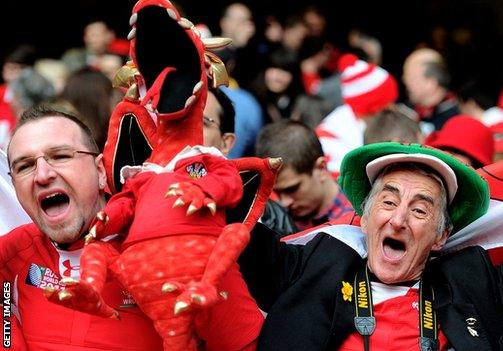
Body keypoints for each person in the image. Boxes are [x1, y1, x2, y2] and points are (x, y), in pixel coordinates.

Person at [239, 141, 503, 350]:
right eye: (387, 203)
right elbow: (231, 228)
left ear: (441, 236)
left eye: (420, 210)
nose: (399, 219)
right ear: (367, 216)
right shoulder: (314, 263)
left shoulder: (478, 285)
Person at [2, 106, 262, 350]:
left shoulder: (173, 241)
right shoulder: (14, 252)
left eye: (60, 156)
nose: (42, 174)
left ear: (101, 171)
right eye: (24, 166)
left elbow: (242, 343)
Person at [203, 87, 297, 236]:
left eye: (203, 122)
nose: (189, 130)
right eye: (181, 121)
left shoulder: (267, 219)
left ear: (226, 143)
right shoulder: (152, 186)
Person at [256, 120, 353, 231]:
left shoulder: (360, 221)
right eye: (277, 192)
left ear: (321, 168)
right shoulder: (274, 221)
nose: (285, 202)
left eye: (292, 189)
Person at [402, 48, 459, 134]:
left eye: (411, 78)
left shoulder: (455, 119)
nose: (405, 81)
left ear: (431, 83)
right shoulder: (405, 111)